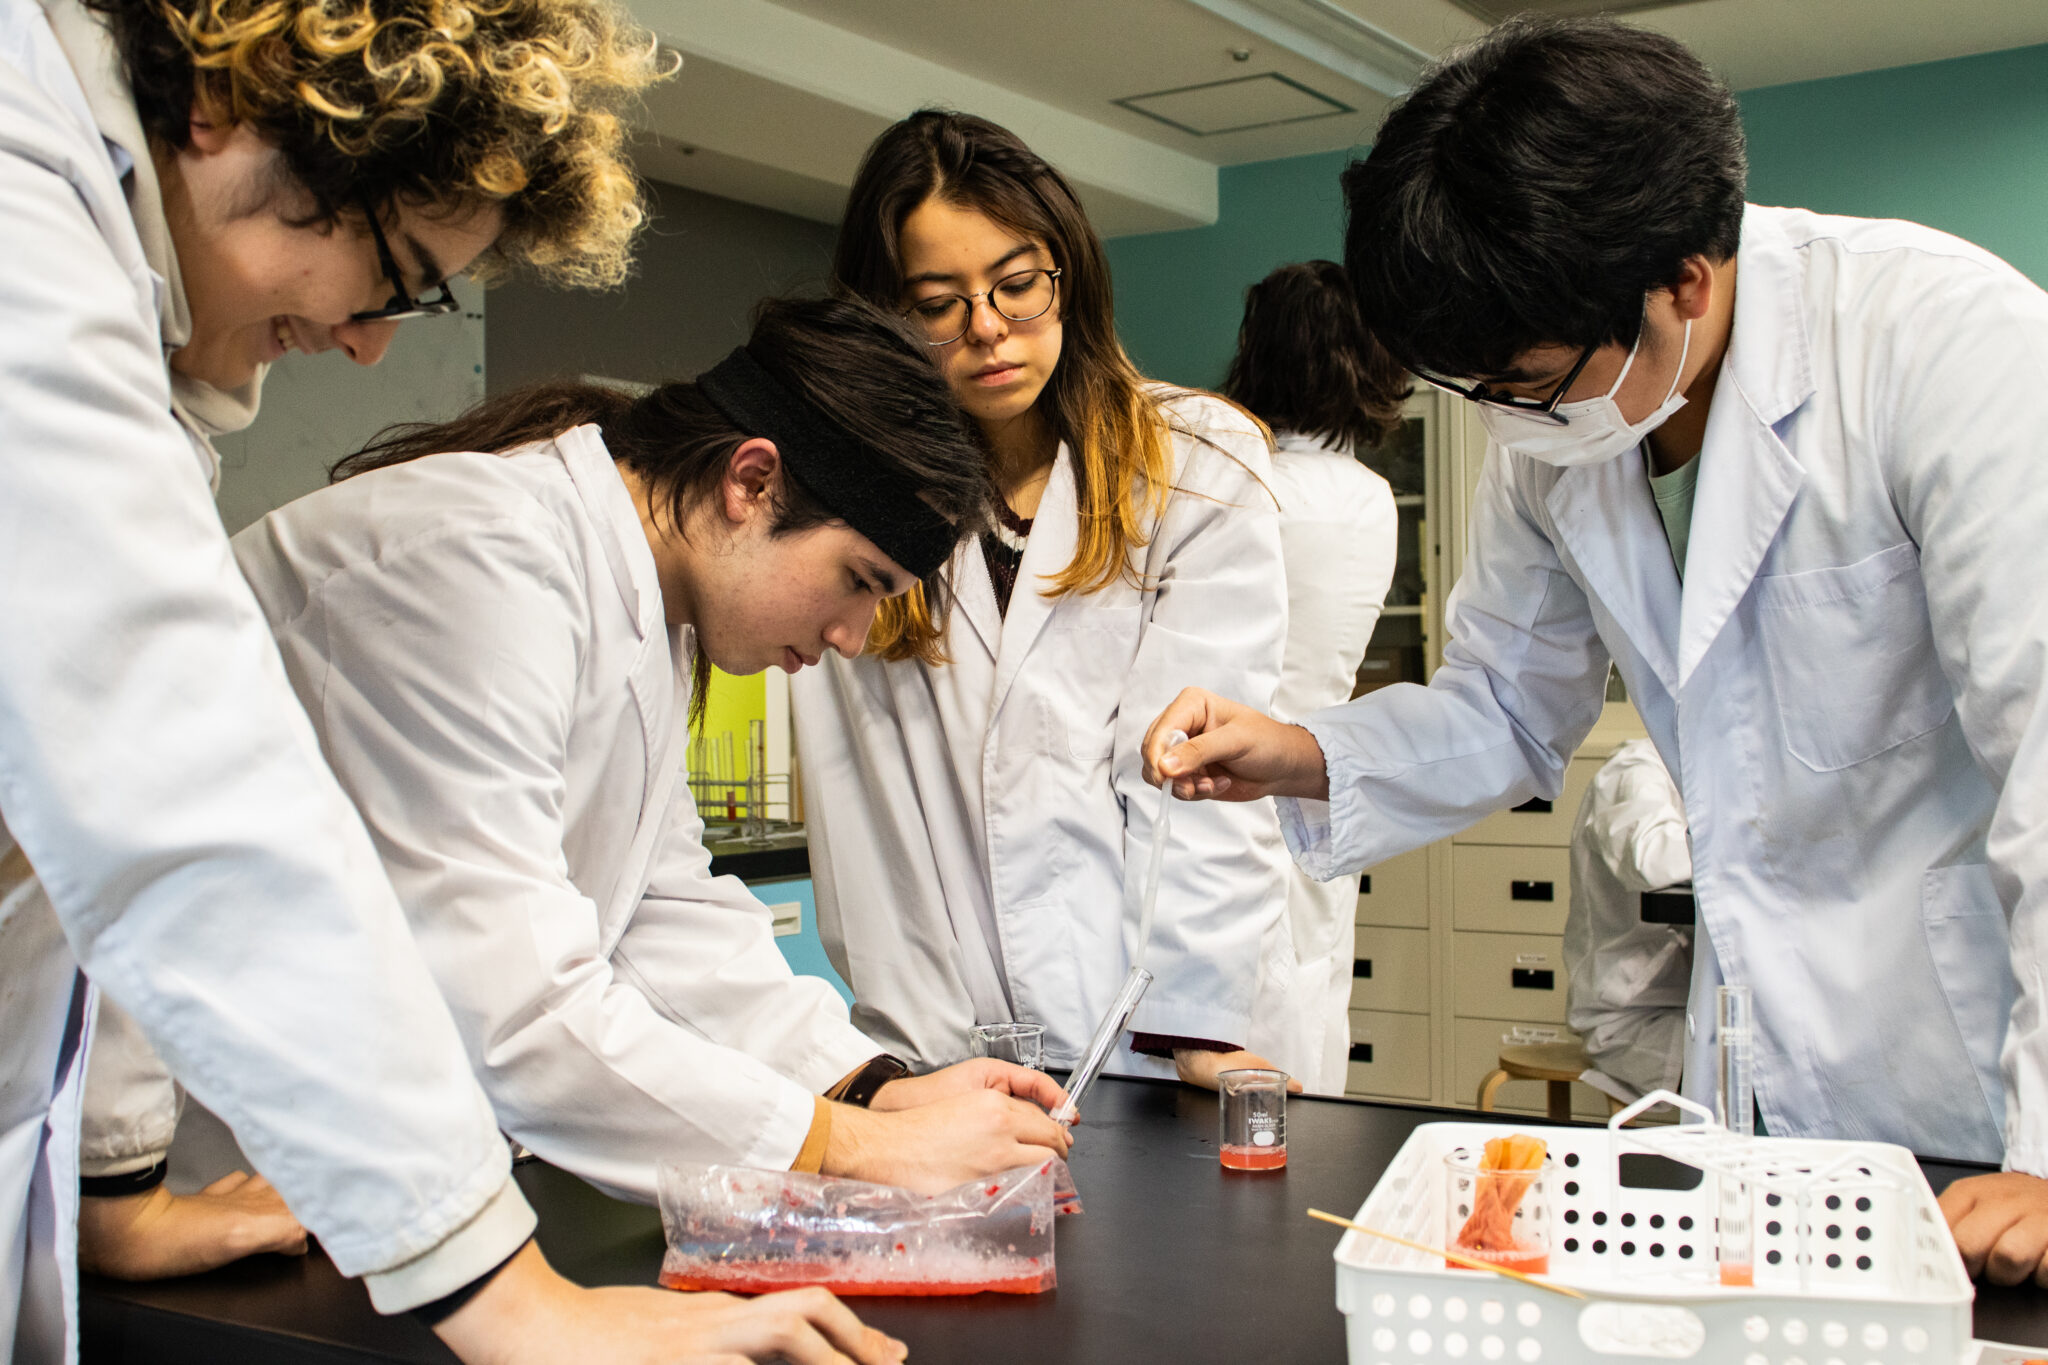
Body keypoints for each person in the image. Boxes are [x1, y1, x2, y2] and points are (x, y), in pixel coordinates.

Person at [0, 0, 902, 1356]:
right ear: (227, 111)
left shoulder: (134, 309)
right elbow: (176, 792)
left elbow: (80, 809)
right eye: (397, 270)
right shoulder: (25, 213)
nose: (372, 342)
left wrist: (119, 1178)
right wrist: (516, 1303)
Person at [1143, 14, 2048, 1287]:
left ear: (1682, 277)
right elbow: (1510, 709)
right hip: (1751, 1076)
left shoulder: (1944, 346)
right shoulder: (1563, 431)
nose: (1504, 418)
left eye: (1519, 378)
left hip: (1979, 1084)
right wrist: (1296, 753)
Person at [209, 296, 1065, 1202]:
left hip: (353, 1148)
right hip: (216, 1135)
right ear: (751, 482)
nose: (854, 635)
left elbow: (663, 913)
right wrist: (854, 1147)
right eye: (859, 581)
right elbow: (515, 1008)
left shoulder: (650, 603)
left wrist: (877, 1091)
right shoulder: (485, 558)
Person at [791, 109, 1309, 1091]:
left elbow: (1196, 779)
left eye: (1015, 285)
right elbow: (862, 811)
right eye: (937, 302)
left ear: (1065, 271)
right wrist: (895, 1063)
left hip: (1150, 1032)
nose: (987, 329)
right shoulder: (846, 498)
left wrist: (1185, 1026)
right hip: (938, 1045)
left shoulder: (1192, 463)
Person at [1219, 260, 1403, 1093]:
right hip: (1324, 780)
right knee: (1315, 996)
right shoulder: (1373, 498)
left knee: (1237, 1021)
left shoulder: (1240, 488)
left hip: (1230, 776)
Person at [1562, 739, 1692, 1104]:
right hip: (1632, 1021)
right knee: (1774, 1073)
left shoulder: (1715, 773)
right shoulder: (1636, 768)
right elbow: (1652, 857)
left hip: (1689, 1009)